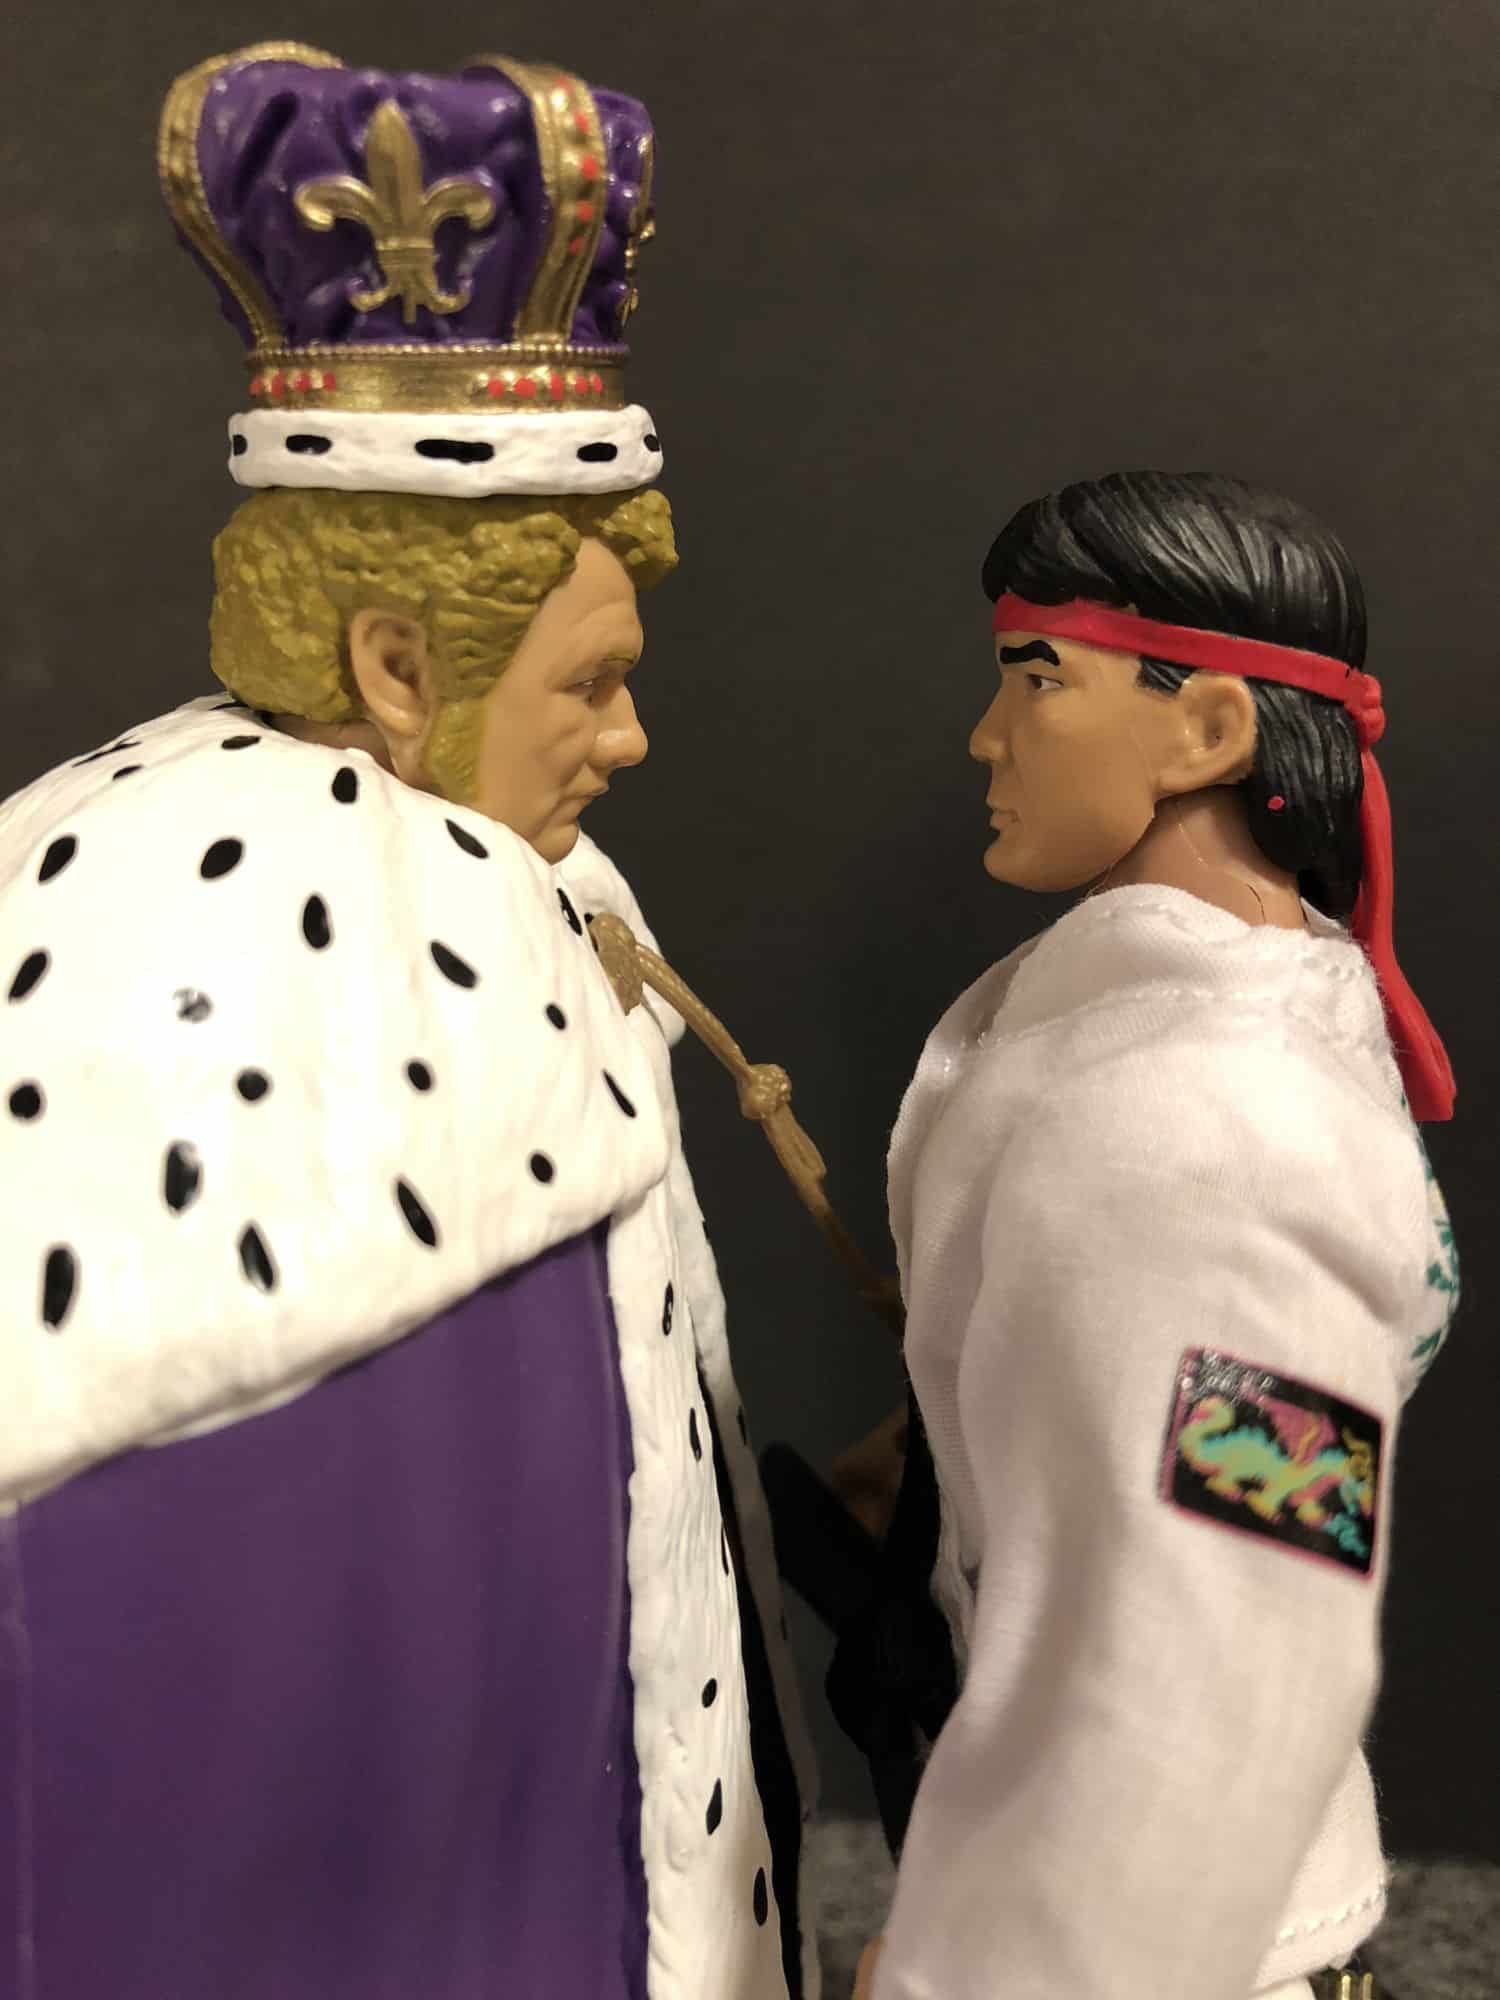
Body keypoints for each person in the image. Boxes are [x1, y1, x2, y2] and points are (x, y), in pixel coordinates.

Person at [0, 45, 815, 2000]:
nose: (631, 737)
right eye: (590, 685)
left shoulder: (536, 890)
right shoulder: (243, 930)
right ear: (392, 663)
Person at [857, 470, 1457, 2000]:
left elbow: (1237, 1625)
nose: (989, 736)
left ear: (1208, 732)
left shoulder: (1214, 1123)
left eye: (1039, 681)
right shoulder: (1175, 1029)